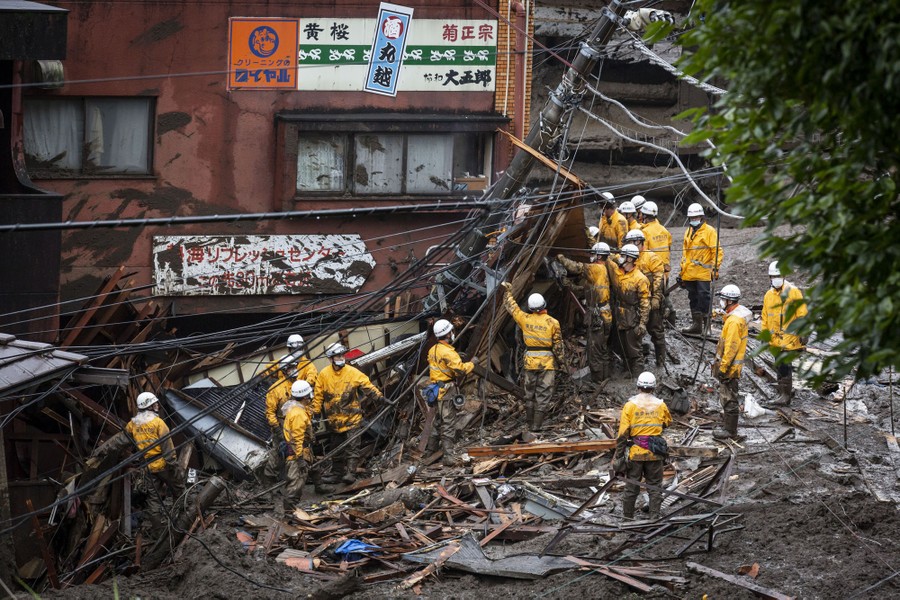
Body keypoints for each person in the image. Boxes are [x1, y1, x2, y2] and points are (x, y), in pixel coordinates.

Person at [88, 392, 184, 536]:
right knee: (179, 490)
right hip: (163, 465)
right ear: (150, 406)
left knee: (153, 500)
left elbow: (118, 441)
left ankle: (159, 532)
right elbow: (168, 448)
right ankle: (182, 520)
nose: (157, 404)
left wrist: (100, 450)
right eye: (154, 403)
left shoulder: (133, 425)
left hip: (148, 469)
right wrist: (174, 467)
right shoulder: (159, 423)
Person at [311, 342, 385, 484]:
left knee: (352, 449)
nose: (341, 358)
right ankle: (336, 474)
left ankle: (350, 474)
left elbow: (367, 386)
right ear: (331, 358)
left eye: (342, 355)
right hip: (335, 421)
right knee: (337, 450)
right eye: (338, 356)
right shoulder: (324, 375)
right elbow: (318, 396)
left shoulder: (352, 372)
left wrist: (380, 398)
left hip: (352, 419)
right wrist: (316, 413)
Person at [501, 282, 566, 432]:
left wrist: (508, 292)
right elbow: (558, 346)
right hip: (546, 363)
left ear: (530, 308)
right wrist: (561, 362)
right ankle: (536, 426)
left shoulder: (525, 319)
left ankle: (529, 423)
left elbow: (512, 308)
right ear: (544, 305)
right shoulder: (553, 323)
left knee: (529, 393)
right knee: (543, 394)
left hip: (530, 361)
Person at [617, 371, 672, 520]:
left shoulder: (629, 406)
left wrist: (618, 456)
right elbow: (667, 423)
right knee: (655, 487)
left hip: (636, 453)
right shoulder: (661, 405)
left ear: (638, 386)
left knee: (631, 487)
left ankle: (627, 518)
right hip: (655, 452)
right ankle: (654, 518)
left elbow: (623, 433)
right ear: (654, 387)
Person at [557, 242, 614, 382]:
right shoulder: (605, 269)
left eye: (593, 254)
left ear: (599, 255)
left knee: (595, 350)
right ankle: (605, 377)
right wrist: (570, 285)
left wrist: (560, 257)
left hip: (598, 316)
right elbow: (587, 290)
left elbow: (575, 267)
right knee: (602, 348)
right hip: (605, 315)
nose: (591, 256)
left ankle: (597, 381)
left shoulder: (596, 268)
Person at [427, 319, 475, 465]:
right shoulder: (448, 352)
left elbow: (442, 365)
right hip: (447, 391)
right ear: (448, 334)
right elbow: (460, 370)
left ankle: (431, 451)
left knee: (438, 421)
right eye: (451, 331)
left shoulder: (433, 349)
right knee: (448, 422)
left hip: (436, 389)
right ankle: (448, 456)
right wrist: (473, 363)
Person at [760, 261, 809, 405]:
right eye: (773, 276)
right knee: (779, 365)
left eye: (778, 275)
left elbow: (802, 313)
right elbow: (765, 317)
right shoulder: (769, 295)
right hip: (775, 339)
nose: (775, 278)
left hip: (790, 338)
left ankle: (785, 396)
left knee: (784, 365)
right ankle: (784, 391)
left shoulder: (793, 292)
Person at [262, 380, 313, 503]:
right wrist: (300, 459)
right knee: (296, 481)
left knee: (300, 477)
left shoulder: (294, 409)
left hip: (298, 450)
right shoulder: (298, 414)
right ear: (305, 396)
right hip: (296, 452)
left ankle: (291, 509)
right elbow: (296, 440)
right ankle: (289, 511)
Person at [713, 285, 752, 440]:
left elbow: (731, 347)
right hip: (732, 366)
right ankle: (729, 427)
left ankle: (730, 431)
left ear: (729, 300)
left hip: (730, 368)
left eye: (723, 299)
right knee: (728, 396)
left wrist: (723, 368)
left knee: (729, 398)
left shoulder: (734, 322)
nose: (721, 302)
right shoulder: (735, 315)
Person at [678, 203, 723, 335]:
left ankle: (707, 326)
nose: (693, 219)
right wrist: (682, 272)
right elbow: (685, 254)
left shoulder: (709, 231)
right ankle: (696, 325)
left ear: (702, 217)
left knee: (704, 297)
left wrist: (715, 268)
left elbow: (717, 251)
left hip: (703, 272)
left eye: (696, 217)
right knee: (693, 298)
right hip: (690, 272)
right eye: (691, 217)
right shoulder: (688, 231)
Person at [624, 229, 667, 369]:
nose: (631, 245)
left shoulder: (651, 258)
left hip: (651, 300)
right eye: (629, 242)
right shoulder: (629, 257)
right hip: (637, 302)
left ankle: (660, 361)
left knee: (656, 330)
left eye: (633, 242)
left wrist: (656, 298)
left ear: (640, 242)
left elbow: (659, 279)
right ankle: (637, 361)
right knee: (636, 331)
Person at [607, 244, 650, 376]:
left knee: (633, 349)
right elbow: (608, 258)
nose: (620, 258)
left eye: (623, 256)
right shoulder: (617, 272)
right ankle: (627, 370)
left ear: (630, 259)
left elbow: (645, 304)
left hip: (632, 317)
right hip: (619, 315)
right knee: (622, 346)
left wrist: (642, 324)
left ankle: (637, 375)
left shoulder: (640, 278)